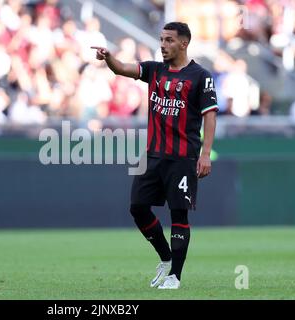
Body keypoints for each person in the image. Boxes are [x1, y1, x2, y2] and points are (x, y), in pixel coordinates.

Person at [91, 22, 218, 289]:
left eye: (169, 40)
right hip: (153, 155)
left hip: (183, 158)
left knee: (179, 215)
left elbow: (210, 114)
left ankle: (176, 276)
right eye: (161, 39)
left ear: (184, 43)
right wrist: (109, 58)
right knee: (137, 207)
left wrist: (205, 154)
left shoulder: (200, 76)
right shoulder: (154, 70)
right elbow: (123, 69)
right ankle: (165, 257)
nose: (163, 45)